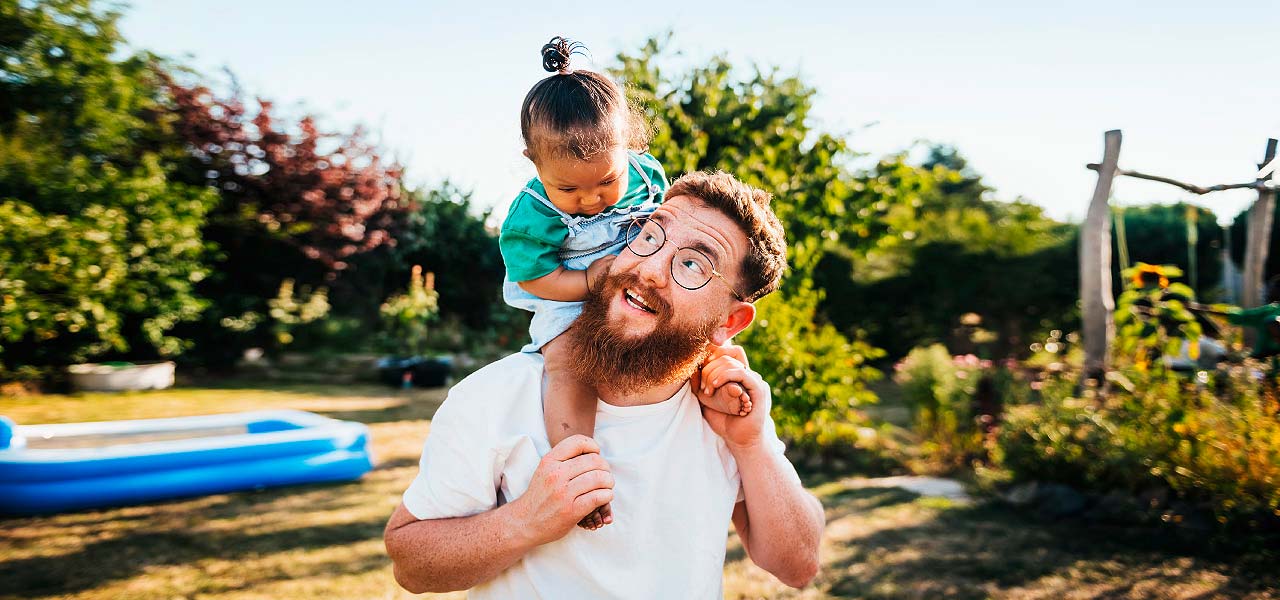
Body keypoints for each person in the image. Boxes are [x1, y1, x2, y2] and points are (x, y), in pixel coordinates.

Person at [384, 171, 824, 597]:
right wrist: (522, 522)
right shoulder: (495, 397)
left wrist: (752, 446)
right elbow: (410, 564)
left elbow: (797, 565)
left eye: (693, 264)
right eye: (650, 236)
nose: (648, 269)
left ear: (729, 322)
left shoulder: (725, 413)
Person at [499, 37, 747, 529]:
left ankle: (713, 378)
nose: (591, 200)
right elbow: (534, 279)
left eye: (604, 183)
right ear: (532, 160)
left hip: (640, 279)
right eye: (569, 189)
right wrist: (589, 282)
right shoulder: (530, 214)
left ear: (627, 148)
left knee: (684, 326)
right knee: (568, 364)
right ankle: (578, 474)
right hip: (567, 290)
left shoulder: (645, 174)